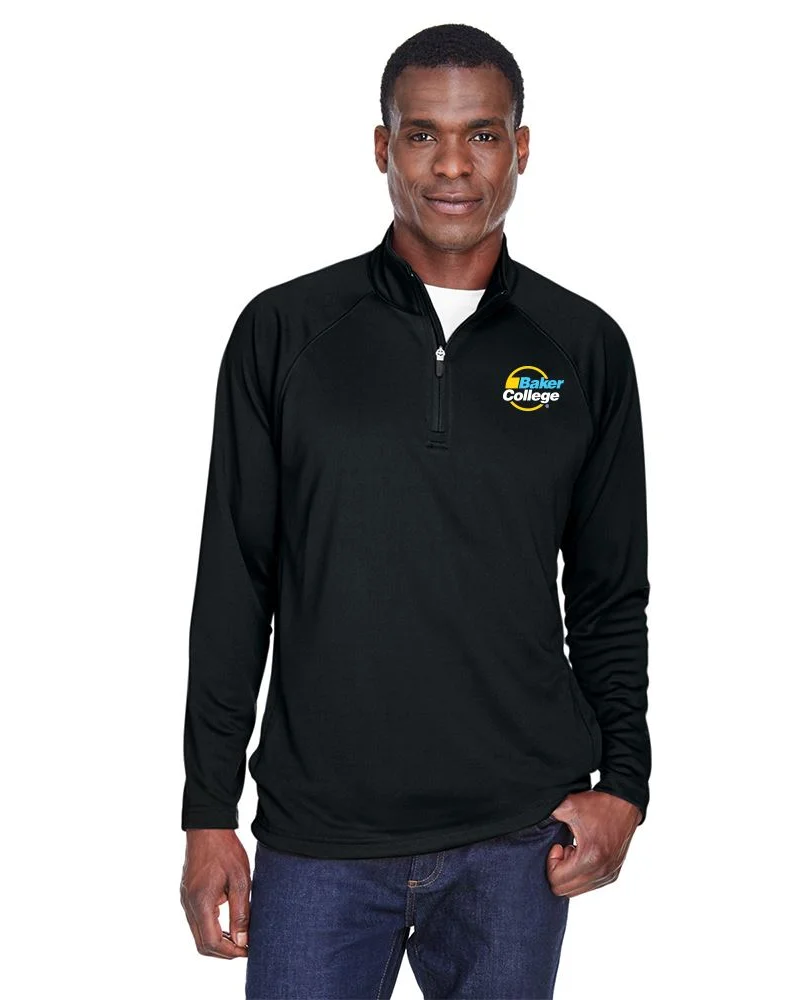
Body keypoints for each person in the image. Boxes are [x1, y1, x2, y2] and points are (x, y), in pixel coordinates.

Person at [179, 22, 651, 1000]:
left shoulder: (583, 347)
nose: (452, 165)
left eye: (482, 134)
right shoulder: (284, 332)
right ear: (381, 146)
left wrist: (625, 786)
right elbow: (236, 581)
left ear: (521, 148)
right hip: (320, 839)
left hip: (519, 841)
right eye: (422, 133)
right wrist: (208, 809)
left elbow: (609, 593)